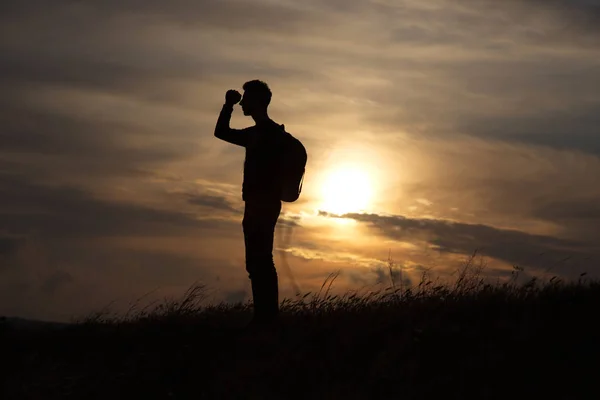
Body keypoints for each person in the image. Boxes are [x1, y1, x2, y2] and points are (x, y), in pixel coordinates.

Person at [214, 80, 286, 327]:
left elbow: (221, 132)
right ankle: (265, 316)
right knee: (259, 260)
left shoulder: (261, 134)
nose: (242, 102)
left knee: (260, 260)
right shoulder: (270, 133)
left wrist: (227, 106)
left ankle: (266, 318)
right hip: (261, 203)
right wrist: (228, 105)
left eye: (246, 99)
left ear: (258, 102)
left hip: (261, 204)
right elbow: (221, 133)